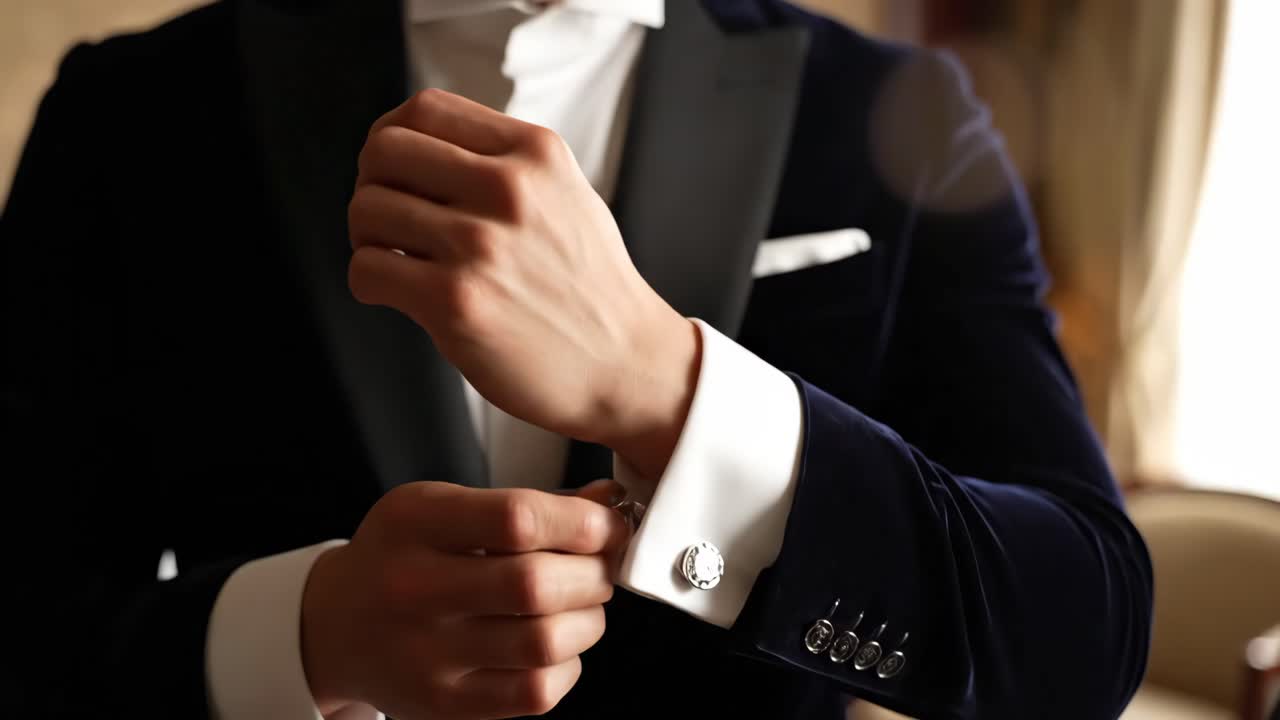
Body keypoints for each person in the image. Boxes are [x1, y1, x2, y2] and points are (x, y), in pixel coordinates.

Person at [0, 0, 1154, 718]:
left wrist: (664, 384)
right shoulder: (134, 112)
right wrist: (305, 637)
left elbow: (1080, 633)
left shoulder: (894, 109)